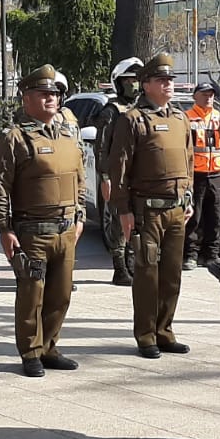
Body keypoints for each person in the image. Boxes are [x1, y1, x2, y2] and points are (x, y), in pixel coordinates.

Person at [0, 65, 86, 377]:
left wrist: (79, 215)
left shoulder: (68, 136)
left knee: (61, 294)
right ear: (25, 98)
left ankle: (49, 346)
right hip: (32, 231)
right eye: (43, 94)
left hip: (66, 229)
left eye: (54, 94)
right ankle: (30, 351)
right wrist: (4, 228)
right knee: (32, 294)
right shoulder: (14, 138)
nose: (50, 99)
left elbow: (80, 179)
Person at [109, 52, 193, 359]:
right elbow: (119, 168)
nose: (168, 85)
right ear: (145, 85)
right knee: (147, 276)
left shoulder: (180, 118)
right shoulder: (131, 120)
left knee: (172, 275)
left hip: (176, 209)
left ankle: (165, 330)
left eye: (170, 80)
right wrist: (123, 210)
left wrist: (189, 196)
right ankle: (146, 335)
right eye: (161, 80)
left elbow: (189, 161)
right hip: (146, 212)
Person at [95, 56, 144, 286]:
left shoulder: (142, 108)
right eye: (128, 80)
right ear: (119, 83)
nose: (133, 84)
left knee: (135, 221)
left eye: (136, 80)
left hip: (138, 175)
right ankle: (119, 268)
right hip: (116, 174)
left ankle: (132, 263)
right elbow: (102, 146)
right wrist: (104, 176)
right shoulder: (111, 111)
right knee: (116, 221)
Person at [185, 79, 220, 270]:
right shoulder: (187, 117)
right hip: (196, 174)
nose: (209, 98)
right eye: (204, 94)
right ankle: (190, 255)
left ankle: (212, 254)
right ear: (195, 96)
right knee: (194, 217)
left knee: (215, 216)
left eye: (211, 95)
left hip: (216, 173)